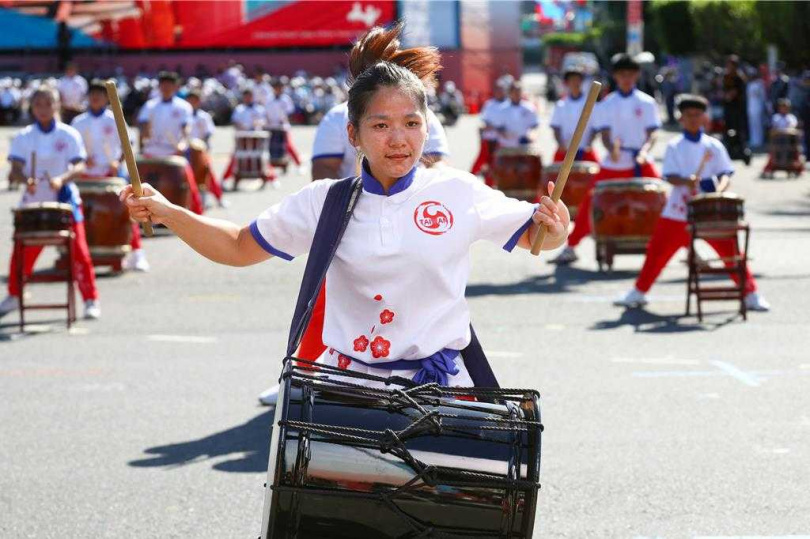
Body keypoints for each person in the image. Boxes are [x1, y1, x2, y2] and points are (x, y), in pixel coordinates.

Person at [119, 23, 568, 397]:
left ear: (426, 128)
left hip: (441, 390)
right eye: (381, 125)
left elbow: (537, 237)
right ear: (354, 135)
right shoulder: (324, 201)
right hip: (347, 391)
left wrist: (556, 226)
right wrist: (168, 212)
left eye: (412, 124)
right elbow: (238, 246)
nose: (399, 139)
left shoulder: (457, 190)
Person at [614, 95, 769, 312]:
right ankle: (639, 291)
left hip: (710, 209)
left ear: (704, 117)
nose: (694, 119)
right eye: (689, 115)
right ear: (681, 118)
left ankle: (750, 293)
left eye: (697, 115)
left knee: (731, 251)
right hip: (679, 210)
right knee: (657, 251)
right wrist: (686, 181)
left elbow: (725, 173)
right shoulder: (675, 146)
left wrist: (719, 189)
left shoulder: (713, 145)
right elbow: (669, 176)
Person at [0, 86, 101, 320]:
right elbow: (15, 170)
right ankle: (15, 294)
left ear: (57, 105)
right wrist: (25, 180)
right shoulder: (24, 136)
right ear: (32, 107)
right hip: (33, 202)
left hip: (64, 202)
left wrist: (62, 179)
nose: (43, 109)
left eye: (48, 104)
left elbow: (80, 165)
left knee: (80, 253)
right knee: (21, 253)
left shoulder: (68, 134)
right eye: (38, 104)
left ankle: (90, 299)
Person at [552, 53, 661, 265]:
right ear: (615, 76)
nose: (626, 78)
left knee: (664, 200)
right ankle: (571, 247)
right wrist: (611, 148)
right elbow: (604, 135)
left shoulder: (647, 102)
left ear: (636, 75)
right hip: (614, 162)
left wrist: (644, 151)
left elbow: (652, 132)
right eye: (622, 74)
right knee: (591, 201)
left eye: (630, 74)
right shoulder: (606, 104)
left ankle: (686, 248)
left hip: (640, 161)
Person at [72, 79, 150, 272]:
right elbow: (73, 151)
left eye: (99, 94)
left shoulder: (115, 119)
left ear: (106, 98)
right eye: (92, 94)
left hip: (111, 174)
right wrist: (82, 160)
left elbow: (127, 145)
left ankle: (137, 253)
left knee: (126, 212)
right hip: (86, 175)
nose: (95, 98)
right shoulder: (78, 122)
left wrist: (118, 161)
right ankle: (79, 254)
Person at [137, 71, 203, 215]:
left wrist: (182, 144)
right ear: (159, 86)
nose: (166, 87)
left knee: (187, 181)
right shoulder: (150, 106)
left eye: (169, 84)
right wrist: (144, 134)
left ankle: (190, 213)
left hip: (173, 152)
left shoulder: (183, 106)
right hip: (152, 151)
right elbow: (143, 126)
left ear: (175, 86)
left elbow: (186, 128)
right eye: (163, 84)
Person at [186, 89, 226, 208]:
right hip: (186, 150)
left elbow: (208, 133)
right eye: (189, 100)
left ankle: (218, 198)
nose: (192, 103)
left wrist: (202, 146)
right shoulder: (183, 114)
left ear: (199, 101)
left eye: (194, 100)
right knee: (188, 176)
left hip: (201, 151)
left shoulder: (203, 116)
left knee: (206, 175)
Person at [549, 68, 599, 163]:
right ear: (567, 83)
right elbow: (556, 128)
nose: (575, 83)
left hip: (585, 150)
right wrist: (561, 144)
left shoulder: (590, 103)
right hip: (565, 151)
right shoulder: (560, 105)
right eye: (572, 80)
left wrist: (589, 143)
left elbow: (595, 127)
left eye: (577, 79)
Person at [470, 81, 507, 186]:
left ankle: (491, 184)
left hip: (501, 141)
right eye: (498, 90)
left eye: (501, 90)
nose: (499, 92)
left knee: (495, 163)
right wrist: (495, 128)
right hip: (488, 139)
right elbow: (484, 124)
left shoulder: (508, 105)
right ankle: (470, 179)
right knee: (481, 160)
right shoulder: (489, 105)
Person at [491, 81, 539, 149]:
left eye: (518, 92)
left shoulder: (529, 108)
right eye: (514, 92)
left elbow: (534, 126)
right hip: (507, 145)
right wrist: (505, 134)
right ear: (510, 93)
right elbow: (498, 127)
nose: (517, 94)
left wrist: (532, 135)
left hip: (525, 144)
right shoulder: (502, 109)